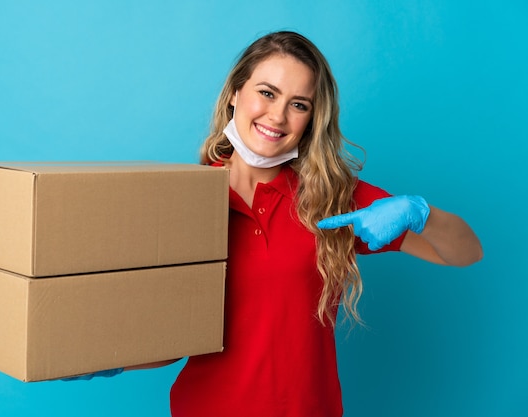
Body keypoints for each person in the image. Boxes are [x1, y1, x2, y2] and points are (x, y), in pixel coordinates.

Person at [67, 31, 483, 417]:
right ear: (235, 94)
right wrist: (103, 361)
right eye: (267, 93)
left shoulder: (332, 199)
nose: (278, 116)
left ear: (311, 118)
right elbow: (174, 340)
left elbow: (464, 253)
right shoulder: (184, 204)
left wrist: (419, 212)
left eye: (298, 104)